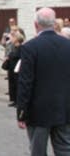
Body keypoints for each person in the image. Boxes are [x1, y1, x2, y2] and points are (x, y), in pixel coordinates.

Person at [17, 8, 70, 155]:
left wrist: (22, 112)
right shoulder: (67, 45)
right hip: (64, 108)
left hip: (38, 111)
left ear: (36, 24)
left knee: (38, 150)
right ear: (54, 23)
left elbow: (25, 82)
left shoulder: (30, 47)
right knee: (64, 149)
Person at [6, 30, 23, 107]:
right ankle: (14, 100)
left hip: (17, 68)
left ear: (17, 39)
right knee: (12, 84)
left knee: (17, 85)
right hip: (11, 67)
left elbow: (17, 56)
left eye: (13, 38)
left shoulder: (21, 47)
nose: (11, 39)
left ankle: (18, 101)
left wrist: (10, 56)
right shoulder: (14, 47)